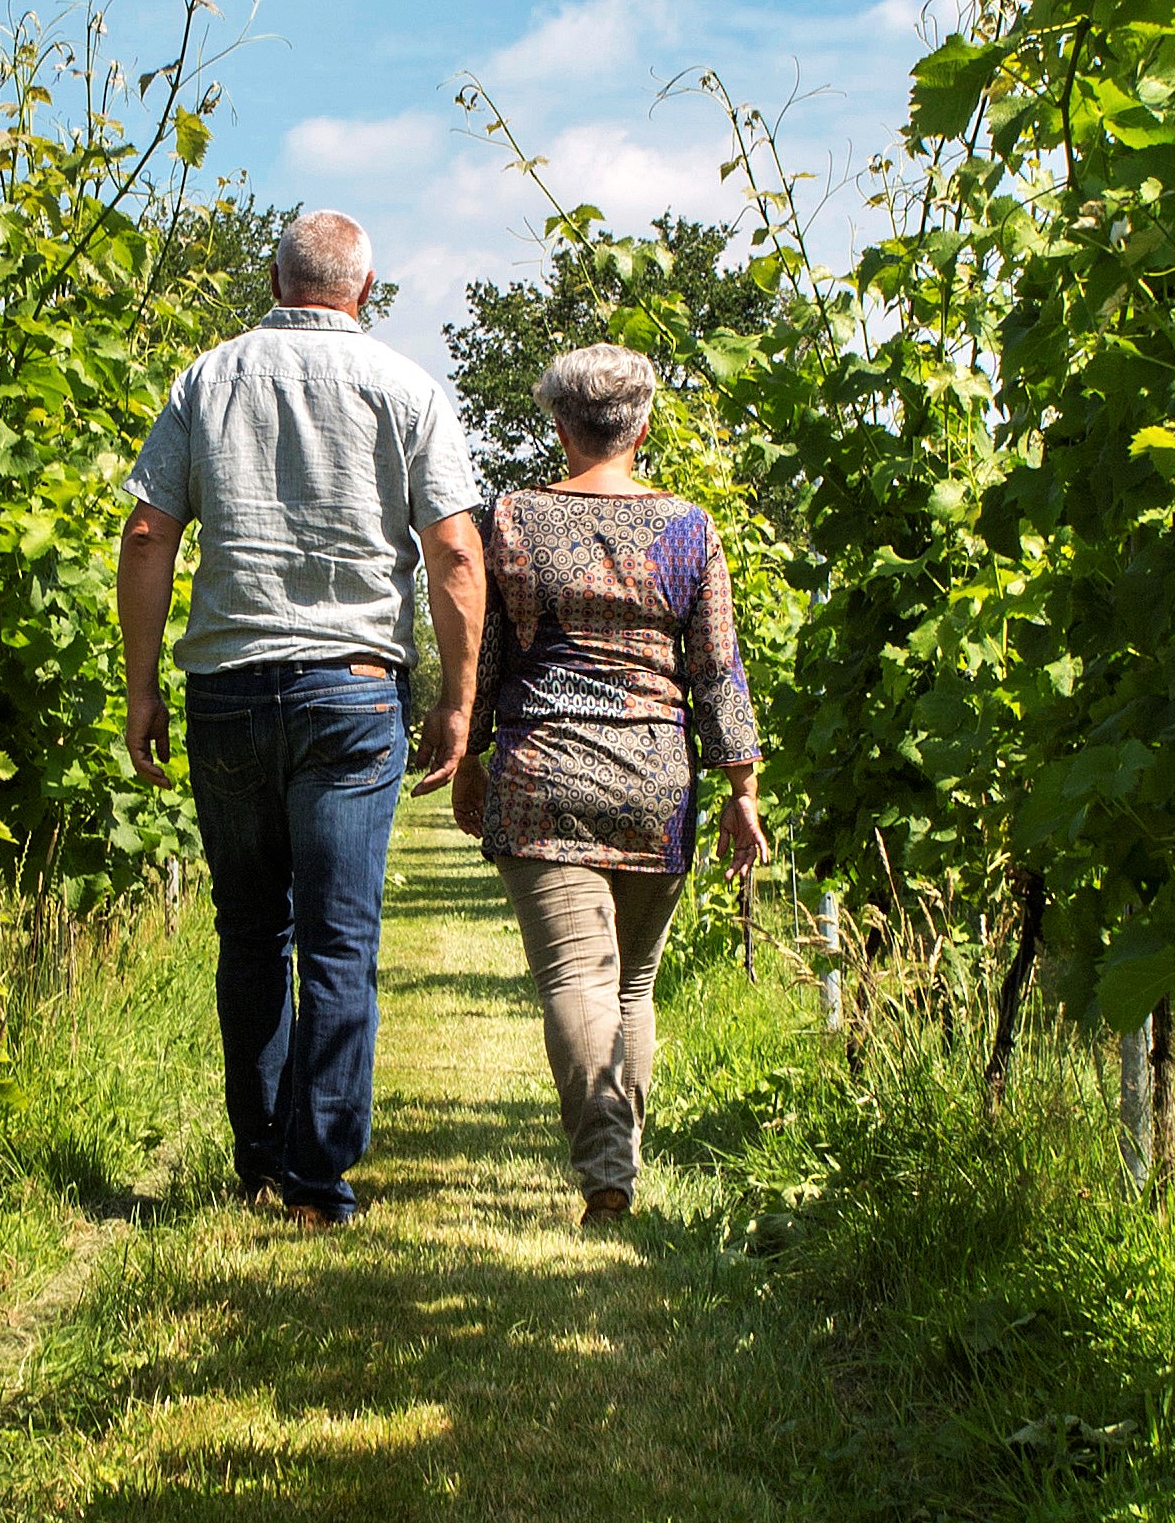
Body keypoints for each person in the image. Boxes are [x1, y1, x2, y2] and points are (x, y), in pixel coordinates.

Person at [117, 210, 487, 1230]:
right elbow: (455, 554)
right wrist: (457, 701)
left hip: (228, 684)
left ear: (271, 279)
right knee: (336, 938)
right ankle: (318, 1181)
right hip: (350, 685)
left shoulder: (208, 377)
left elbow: (149, 530)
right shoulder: (408, 388)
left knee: (249, 932)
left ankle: (258, 1160)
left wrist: (142, 684)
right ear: (365, 290)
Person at [451, 343, 765, 1225]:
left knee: (576, 981)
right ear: (644, 422)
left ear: (558, 423)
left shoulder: (508, 518)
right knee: (632, 984)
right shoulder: (690, 528)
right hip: (657, 780)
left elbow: (488, 654)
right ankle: (619, 1161)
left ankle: (607, 1175)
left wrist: (467, 755)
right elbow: (718, 670)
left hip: (543, 774)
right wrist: (741, 786)